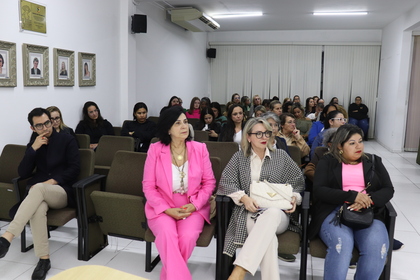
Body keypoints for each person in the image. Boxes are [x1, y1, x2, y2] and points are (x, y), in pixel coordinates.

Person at [217, 117, 305, 280]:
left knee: (271, 214)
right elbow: (226, 181)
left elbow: (298, 181)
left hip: (279, 214)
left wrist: (294, 197)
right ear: (248, 137)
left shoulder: (281, 156)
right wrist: (243, 198)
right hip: (250, 212)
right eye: (258, 134)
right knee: (268, 239)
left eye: (266, 133)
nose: (264, 137)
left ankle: (238, 271)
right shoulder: (239, 157)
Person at [0, 108, 80, 280]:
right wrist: (32, 149)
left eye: (47, 123)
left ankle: (7, 236)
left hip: (61, 191)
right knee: (38, 210)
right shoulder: (34, 143)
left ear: (51, 121)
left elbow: (74, 169)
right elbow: (23, 172)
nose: (45, 128)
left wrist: (50, 182)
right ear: (32, 128)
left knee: (37, 188)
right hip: (39, 195)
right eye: (39, 126)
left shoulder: (67, 139)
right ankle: (44, 260)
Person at [308, 124, 394, 280]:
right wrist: (351, 196)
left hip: (368, 212)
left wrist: (369, 200)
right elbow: (319, 190)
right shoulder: (327, 161)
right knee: (342, 246)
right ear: (340, 146)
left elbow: (388, 189)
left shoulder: (374, 161)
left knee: (378, 249)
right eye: (352, 143)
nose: (358, 146)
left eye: (360, 141)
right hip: (334, 211)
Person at [142, 106, 215, 280]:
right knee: (167, 235)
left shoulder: (200, 149)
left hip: (192, 205)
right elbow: (148, 186)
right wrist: (167, 209)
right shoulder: (155, 150)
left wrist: (195, 204)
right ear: (168, 129)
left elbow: (209, 183)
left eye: (185, 122)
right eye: (177, 123)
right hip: (162, 205)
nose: (184, 126)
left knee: (187, 237)